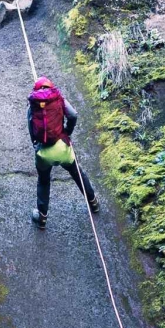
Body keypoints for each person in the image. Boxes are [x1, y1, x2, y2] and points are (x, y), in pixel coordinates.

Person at [27, 77, 99, 227]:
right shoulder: (59, 99)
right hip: (63, 147)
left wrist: (35, 143)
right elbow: (73, 115)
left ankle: (42, 218)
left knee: (44, 181)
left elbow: (31, 125)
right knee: (77, 173)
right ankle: (93, 203)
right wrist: (67, 132)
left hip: (43, 153)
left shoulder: (33, 105)